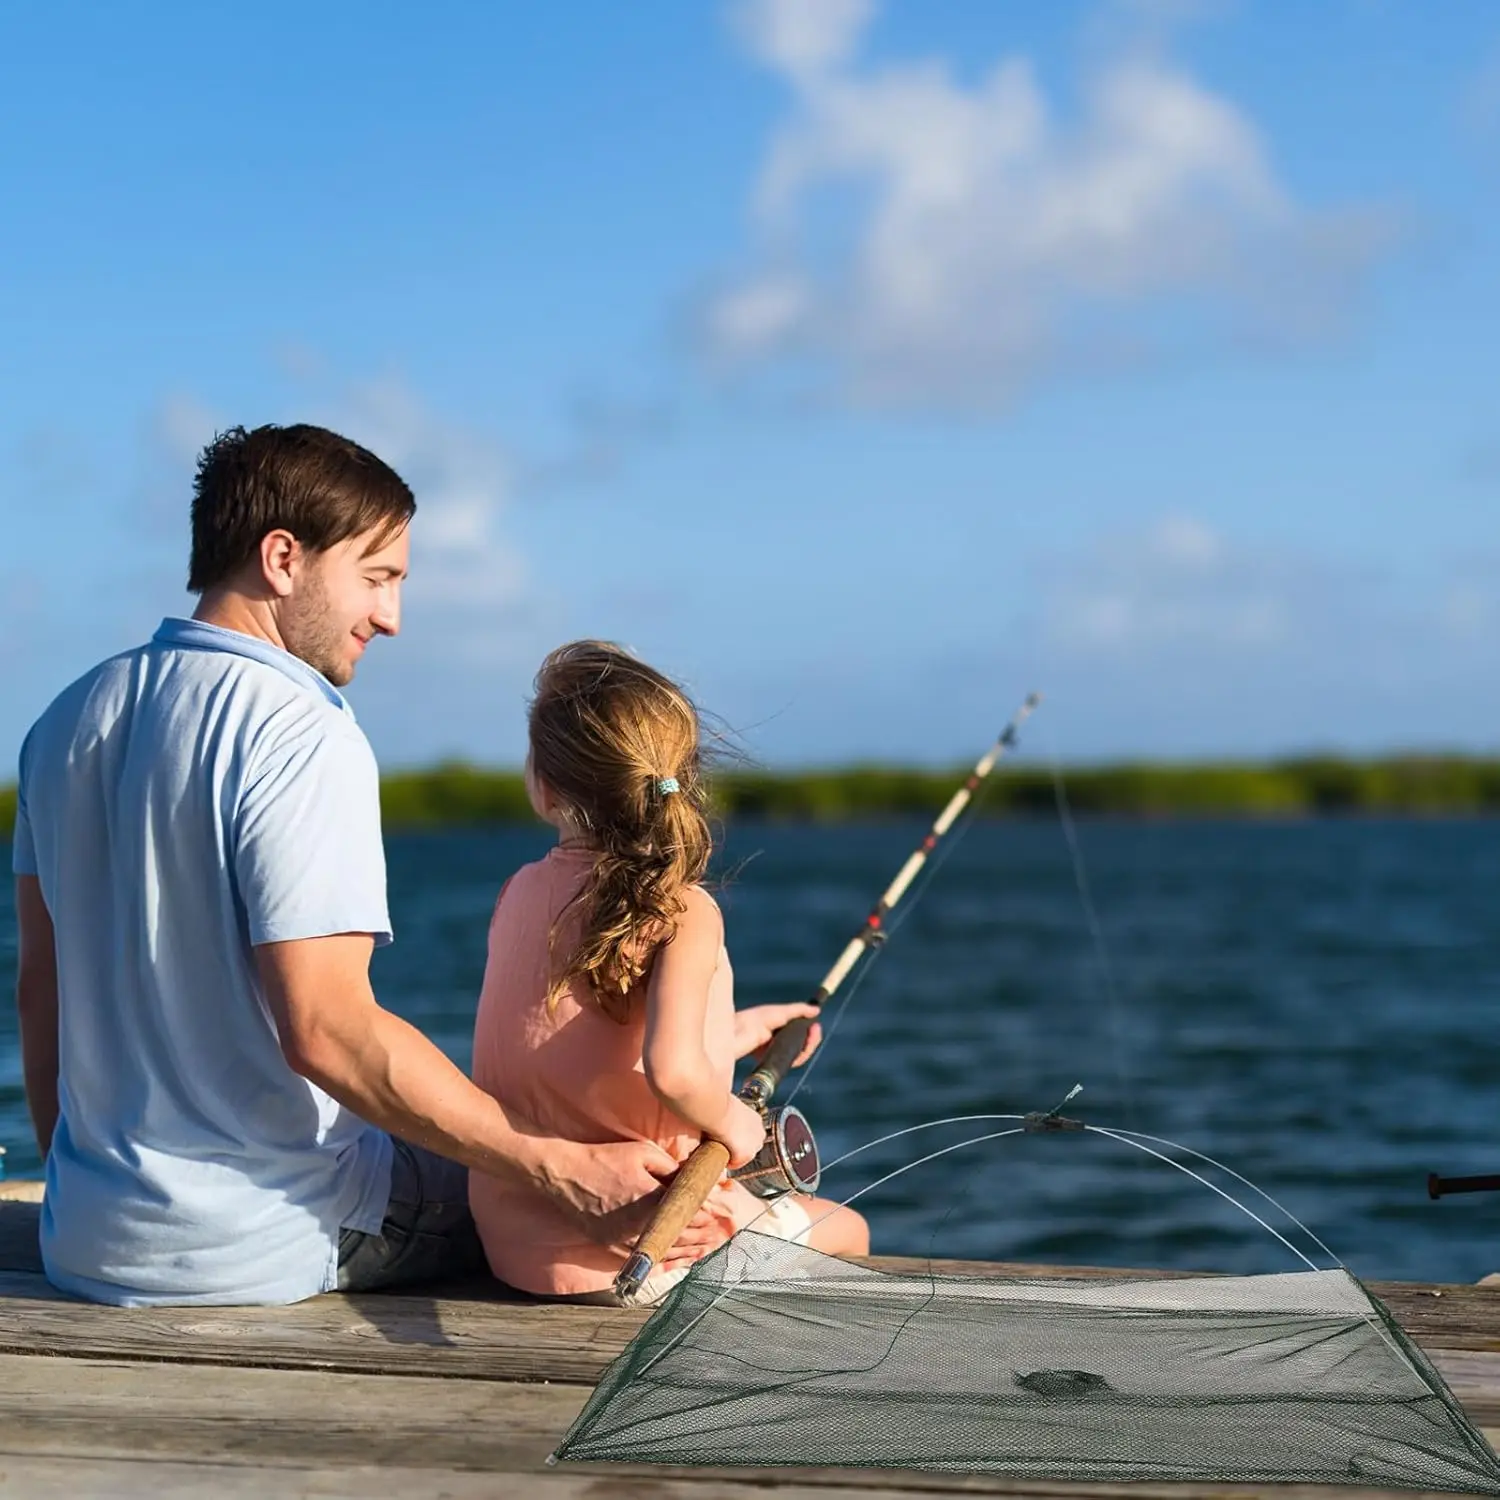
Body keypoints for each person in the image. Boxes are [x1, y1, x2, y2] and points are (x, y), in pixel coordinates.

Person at [12, 423, 718, 1306]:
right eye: (377, 578)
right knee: (570, 1192)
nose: (391, 617)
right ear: (282, 558)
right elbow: (328, 1031)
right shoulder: (301, 731)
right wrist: (557, 1166)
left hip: (85, 1238)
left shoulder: (63, 722)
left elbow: (41, 992)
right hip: (269, 1242)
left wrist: (88, 1199)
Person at [469, 640, 869, 1304]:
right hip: (642, 1256)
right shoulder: (684, 909)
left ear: (545, 784)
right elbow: (675, 1073)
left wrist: (738, 1031)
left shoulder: (517, 892)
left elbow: (577, 1041)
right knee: (850, 1229)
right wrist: (740, 1129)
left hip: (511, 1248)